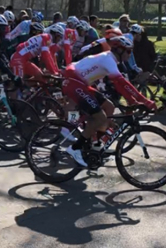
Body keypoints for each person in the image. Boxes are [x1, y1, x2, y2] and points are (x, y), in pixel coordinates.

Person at [63, 36, 156, 166]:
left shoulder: (111, 59)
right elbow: (122, 82)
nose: (130, 55)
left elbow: (118, 84)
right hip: (74, 81)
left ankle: (95, 143)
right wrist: (145, 100)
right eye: (128, 51)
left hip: (80, 82)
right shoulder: (108, 59)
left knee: (109, 107)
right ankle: (74, 148)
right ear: (119, 50)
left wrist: (131, 100)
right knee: (100, 117)